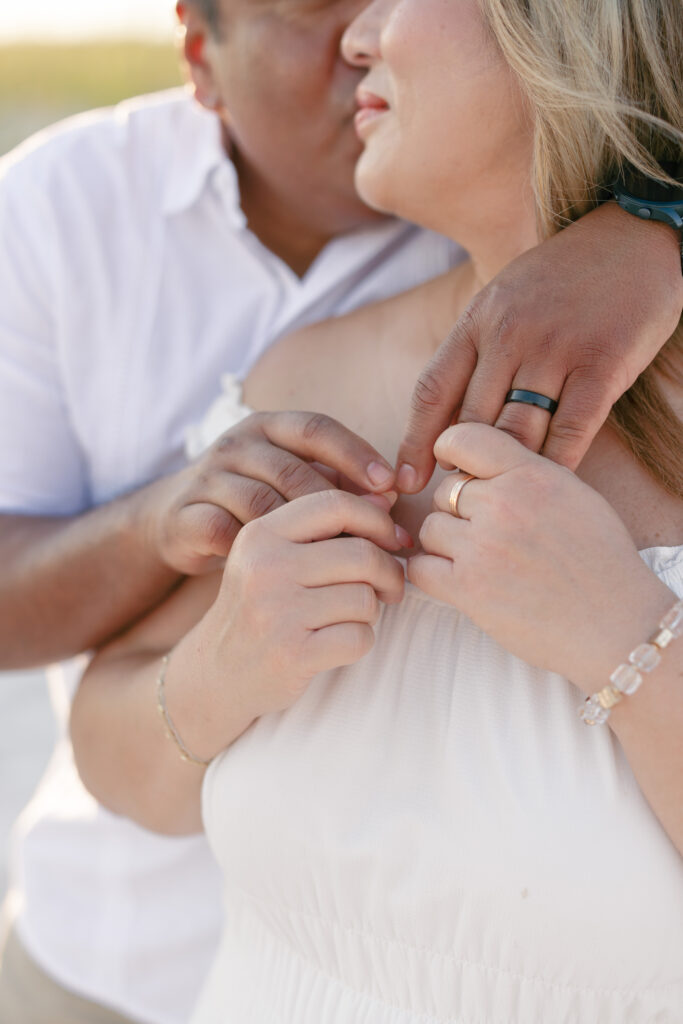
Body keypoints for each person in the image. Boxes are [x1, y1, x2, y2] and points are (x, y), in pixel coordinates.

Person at [0, 0, 680, 1021]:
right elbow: (112, 731)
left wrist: (623, 639)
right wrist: (230, 653)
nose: (361, 35)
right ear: (202, 53)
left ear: (557, 30)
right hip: (116, 957)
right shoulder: (306, 374)